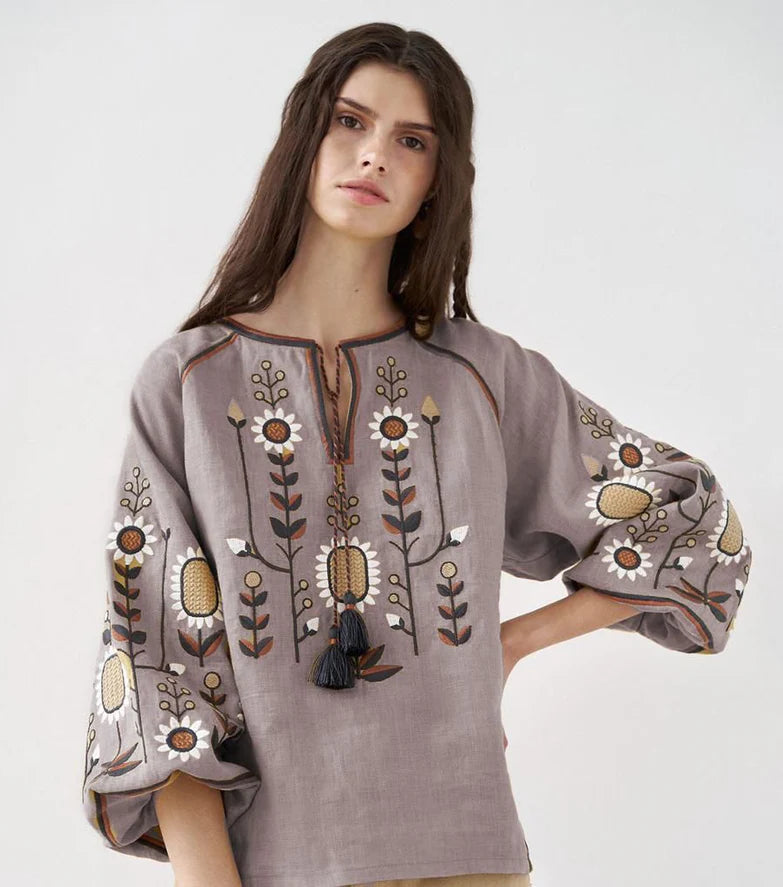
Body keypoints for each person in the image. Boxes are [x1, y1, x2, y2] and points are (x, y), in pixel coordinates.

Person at [80, 22, 752, 887]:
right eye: (349, 122)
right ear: (303, 138)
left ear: (438, 180)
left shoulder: (482, 375)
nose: (373, 155)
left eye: (411, 140)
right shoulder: (189, 382)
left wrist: (511, 643)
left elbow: (690, 515)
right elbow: (154, 662)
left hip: (469, 855)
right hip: (281, 863)